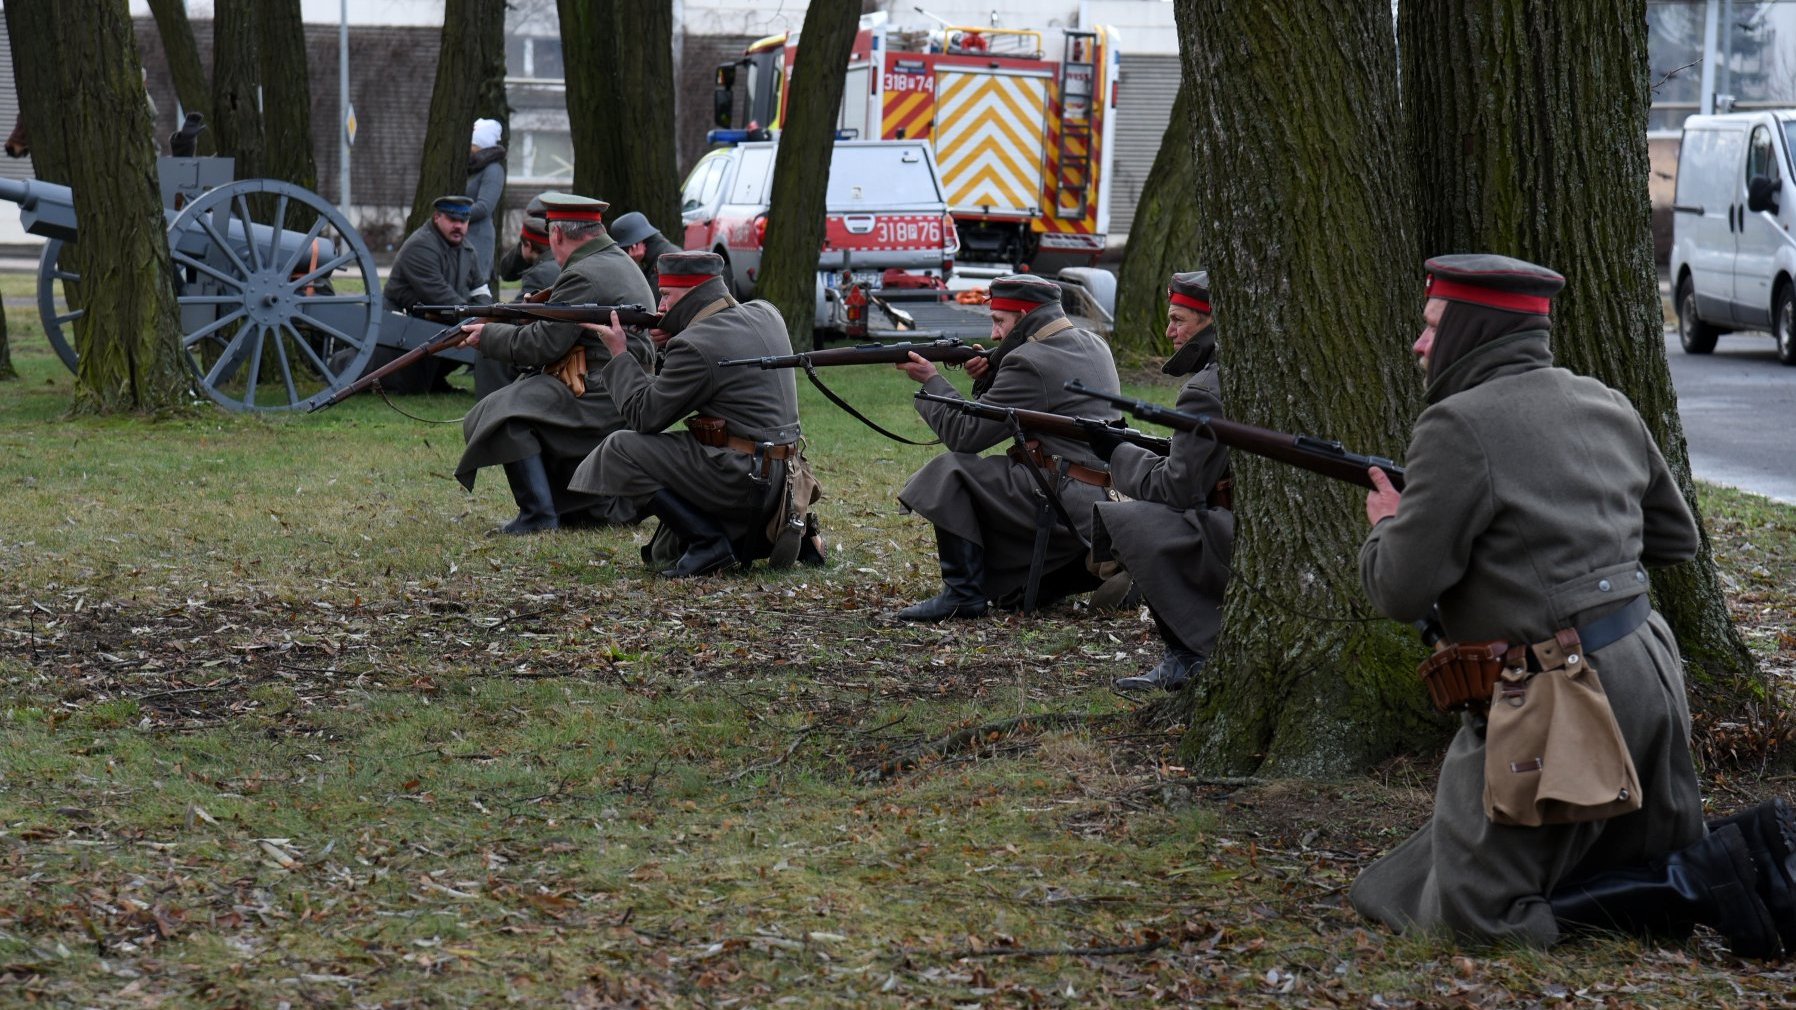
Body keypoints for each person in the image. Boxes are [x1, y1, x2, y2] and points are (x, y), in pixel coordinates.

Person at [1350, 253, 1796, 958]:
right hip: (1647, 669)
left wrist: (1386, 523)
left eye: (1434, 326)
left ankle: (1695, 882)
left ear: (1473, 331)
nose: (1420, 343)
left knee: (1477, 918)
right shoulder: (1606, 401)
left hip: (1560, 699)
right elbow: (1676, 539)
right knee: (1578, 866)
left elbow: (1398, 588)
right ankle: (1687, 875)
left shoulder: (1455, 426)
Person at [569, 251, 822, 577]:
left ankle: (708, 543)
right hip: (784, 475)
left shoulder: (695, 344)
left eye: (666, 295)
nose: (659, 306)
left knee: (622, 448)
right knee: (663, 550)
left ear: (692, 294)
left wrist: (619, 354)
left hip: (744, 477)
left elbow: (644, 416)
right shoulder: (766, 312)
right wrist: (678, 334)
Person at [894, 274, 1122, 619]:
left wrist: (931, 380)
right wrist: (990, 375)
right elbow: (1026, 406)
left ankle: (962, 594)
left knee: (949, 471)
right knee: (1010, 596)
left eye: (1000, 321)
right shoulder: (1091, 342)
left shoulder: (1030, 360)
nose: (994, 334)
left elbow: (965, 436)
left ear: (1024, 314)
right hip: (1097, 502)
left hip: (1061, 500)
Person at [454, 193, 656, 534]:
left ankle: (537, 516)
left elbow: (543, 346)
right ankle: (573, 505)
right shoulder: (614, 260)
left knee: (503, 412)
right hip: (619, 386)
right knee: (525, 398)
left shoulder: (585, 273)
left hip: (602, 391)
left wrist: (486, 336)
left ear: (557, 235)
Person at [1089, 271, 1232, 692]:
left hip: (1233, 531)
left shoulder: (1205, 388)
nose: (1169, 332)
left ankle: (1187, 657)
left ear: (1209, 321)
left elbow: (1178, 488)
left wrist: (1116, 452)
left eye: (1179, 320)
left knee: (1133, 521)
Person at [372, 194, 489, 394]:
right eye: (453, 220)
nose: (459, 226)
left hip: (440, 318)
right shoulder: (421, 245)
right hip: (401, 324)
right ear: (437, 217)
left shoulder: (467, 249)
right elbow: (440, 296)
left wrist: (487, 315)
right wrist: (480, 320)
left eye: (463, 221)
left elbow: (480, 289)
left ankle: (434, 381)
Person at [465, 118, 506, 283]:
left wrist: (452, 213)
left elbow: (484, 207)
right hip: (464, 236)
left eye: (472, 142)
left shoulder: (493, 170)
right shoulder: (473, 169)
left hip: (478, 241)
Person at [608, 211, 682, 291]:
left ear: (635, 246)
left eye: (624, 249)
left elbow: (646, 298)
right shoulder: (664, 253)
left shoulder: (666, 261)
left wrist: (633, 265)